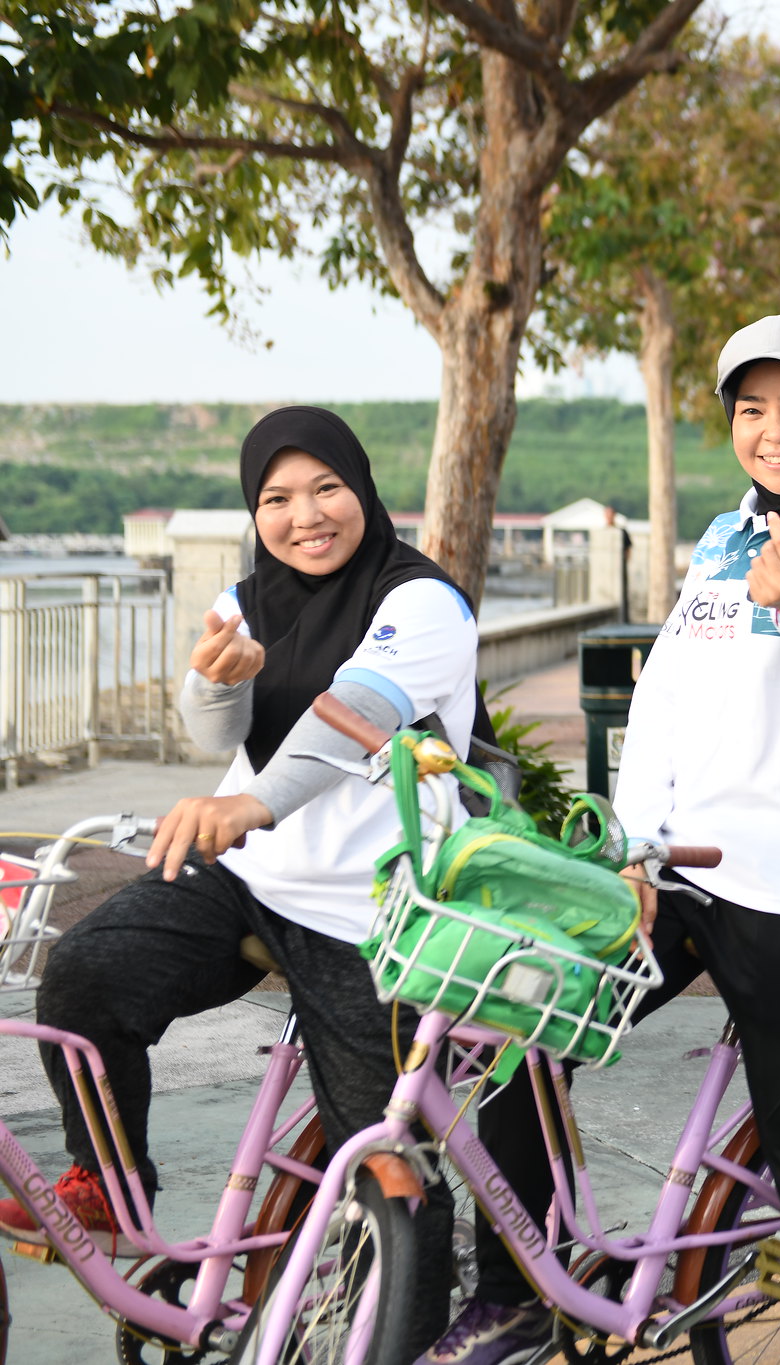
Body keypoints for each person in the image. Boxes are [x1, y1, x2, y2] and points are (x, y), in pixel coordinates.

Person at [426, 315, 780, 1365]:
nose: (772, 430)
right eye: (749, 411)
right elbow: (662, 710)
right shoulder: (722, 540)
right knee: (525, 1031)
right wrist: (633, 851)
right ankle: (515, 1293)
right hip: (678, 881)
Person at [0, 406, 470, 1354]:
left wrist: (249, 806)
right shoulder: (248, 598)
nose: (307, 516)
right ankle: (107, 1176)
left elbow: (354, 714)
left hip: (370, 905)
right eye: (276, 498)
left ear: (363, 487)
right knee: (85, 976)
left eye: (327, 488)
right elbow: (213, 735)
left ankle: (408, 1341)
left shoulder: (423, 601)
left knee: (385, 1162)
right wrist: (223, 682)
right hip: (248, 878)